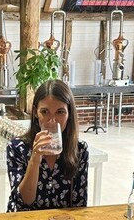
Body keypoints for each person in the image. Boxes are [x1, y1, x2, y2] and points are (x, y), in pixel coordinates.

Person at [6, 80, 89, 211]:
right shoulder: (17, 148)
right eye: (45, 112)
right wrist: (35, 159)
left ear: (69, 113)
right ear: (35, 112)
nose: (52, 120)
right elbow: (24, 202)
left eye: (60, 112)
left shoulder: (79, 150)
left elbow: (79, 205)